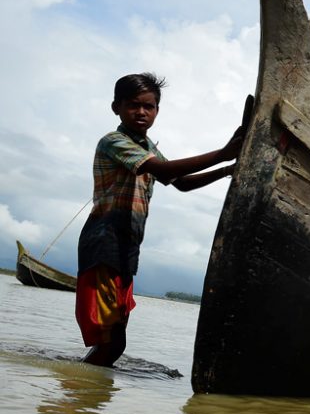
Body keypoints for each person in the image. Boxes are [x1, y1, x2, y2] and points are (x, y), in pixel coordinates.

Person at [76, 73, 243, 367]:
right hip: (103, 242)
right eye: (133, 105)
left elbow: (182, 182)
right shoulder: (114, 141)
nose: (141, 112)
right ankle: (79, 398)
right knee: (112, 341)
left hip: (126, 247)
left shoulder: (148, 147)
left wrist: (228, 169)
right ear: (116, 108)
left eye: (149, 107)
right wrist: (223, 153)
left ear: (157, 111)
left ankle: (85, 388)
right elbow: (164, 171)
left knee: (115, 338)